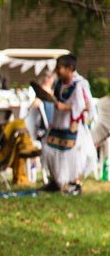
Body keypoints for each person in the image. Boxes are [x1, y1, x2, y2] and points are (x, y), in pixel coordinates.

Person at [41, 53, 97, 195]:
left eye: (60, 68)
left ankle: (74, 184)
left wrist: (65, 107)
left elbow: (87, 106)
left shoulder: (80, 84)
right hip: (59, 123)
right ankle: (55, 181)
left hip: (73, 126)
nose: (57, 71)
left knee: (74, 155)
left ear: (70, 68)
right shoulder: (59, 83)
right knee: (49, 149)